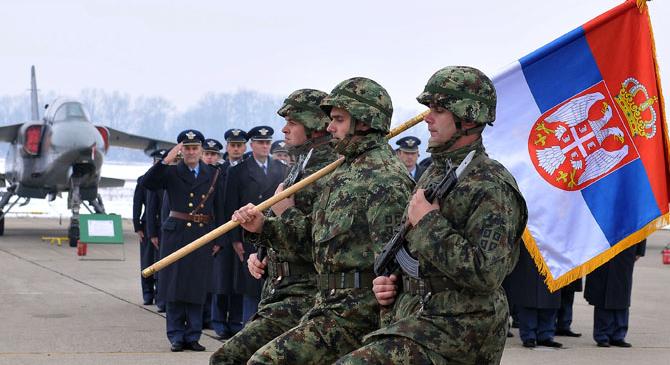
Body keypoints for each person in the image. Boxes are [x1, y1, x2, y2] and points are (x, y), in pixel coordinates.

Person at [336, 66, 528, 364]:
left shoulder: (490, 184)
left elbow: (486, 273)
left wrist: (428, 223)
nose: (427, 118)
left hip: (461, 327)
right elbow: (417, 255)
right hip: (419, 314)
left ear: (466, 117)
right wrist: (394, 283)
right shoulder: (435, 172)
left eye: (438, 110)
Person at [236, 77, 413, 364]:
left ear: (364, 122)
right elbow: (316, 240)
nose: (330, 127)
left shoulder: (384, 178)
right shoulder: (344, 171)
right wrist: (263, 233)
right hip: (326, 304)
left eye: (339, 120)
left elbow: (395, 260)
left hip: (357, 313)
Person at [210, 88, 337, 365]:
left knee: (229, 358)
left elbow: (320, 243)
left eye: (292, 122)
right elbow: (282, 229)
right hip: (280, 290)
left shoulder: (329, 169)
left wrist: (284, 214)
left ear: (314, 124)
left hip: (307, 296)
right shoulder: (302, 162)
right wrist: (262, 246)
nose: (284, 129)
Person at [142, 129, 225, 352]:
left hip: (202, 233)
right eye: (186, 148)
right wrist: (165, 160)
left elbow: (219, 207)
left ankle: (193, 335)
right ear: (180, 150)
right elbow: (147, 183)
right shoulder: (170, 172)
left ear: (201, 150)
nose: (190, 152)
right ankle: (176, 336)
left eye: (194, 148)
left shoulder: (213, 173)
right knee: (174, 286)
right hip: (176, 233)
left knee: (197, 286)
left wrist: (219, 237)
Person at [224, 126, 288, 324]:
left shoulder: (282, 168)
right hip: (248, 233)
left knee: (271, 282)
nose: (265, 146)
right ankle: (247, 325)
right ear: (251, 145)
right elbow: (231, 205)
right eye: (260, 142)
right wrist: (235, 239)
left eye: (268, 142)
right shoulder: (238, 171)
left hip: (271, 231)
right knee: (250, 286)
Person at [211, 129, 249, 339]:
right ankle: (219, 322)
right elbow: (215, 207)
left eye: (239, 145)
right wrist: (216, 237)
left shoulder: (247, 170)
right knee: (221, 282)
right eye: (232, 145)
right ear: (227, 147)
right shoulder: (218, 171)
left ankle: (235, 321)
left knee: (238, 282)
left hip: (242, 234)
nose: (236, 149)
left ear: (244, 147)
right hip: (222, 234)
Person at [585, 239, 646, 347]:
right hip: (602, 249)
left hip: (625, 248)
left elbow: (640, 224)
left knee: (621, 293)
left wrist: (639, 250)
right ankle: (602, 334)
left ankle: (618, 335)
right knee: (602, 293)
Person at [508, 245, 562, 348]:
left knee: (550, 298)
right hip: (528, 249)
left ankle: (546, 335)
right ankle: (529, 336)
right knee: (527, 295)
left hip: (551, 253)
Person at [145, 149, 168, 313]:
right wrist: (151, 232)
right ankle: (159, 299)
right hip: (160, 229)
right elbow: (151, 209)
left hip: (176, 229)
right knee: (159, 266)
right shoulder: (156, 183)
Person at [133, 166, 154, 306]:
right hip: (147, 224)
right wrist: (137, 226)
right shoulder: (145, 180)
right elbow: (137, 203)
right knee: (147, 260)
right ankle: (147, 292)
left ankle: (160, 293)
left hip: (164, 224)